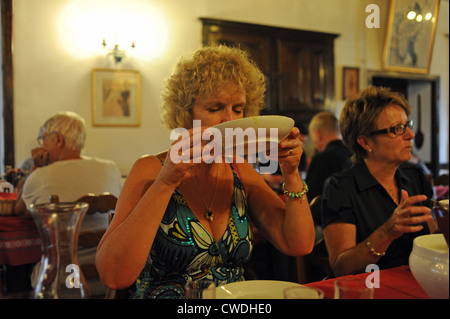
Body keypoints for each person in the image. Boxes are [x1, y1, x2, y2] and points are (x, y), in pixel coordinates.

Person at [95, 45, 315, 299]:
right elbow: (113, 275)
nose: (229, 120)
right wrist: (166, 182)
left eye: (238, 109)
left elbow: (299, 244)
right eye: (215, 108)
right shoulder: (150, 169)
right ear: (186, 114)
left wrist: (291, 174)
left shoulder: (239, 170)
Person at [321, 86, 434, 277]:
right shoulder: (341, 187)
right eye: (397, 129)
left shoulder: (415, 176)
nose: (410, 135)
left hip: (417, 281)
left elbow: (433, 238)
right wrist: (388, 231)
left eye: (408, 125)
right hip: (370, 288)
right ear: (365, 142)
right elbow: (341, 267)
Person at [14, 111, 122, 295]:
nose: (41, 145)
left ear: (58, 140)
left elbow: (19, 210)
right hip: (111, 271)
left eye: (43, 139)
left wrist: (35, 167)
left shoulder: (41, 175)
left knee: (22, 275)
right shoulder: (111, 168)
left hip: (63, 276)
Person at [306, 111, 352, 203]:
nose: (314, 143)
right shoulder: (353, 154)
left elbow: (308, 198)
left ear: (318, 135)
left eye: (312, 137)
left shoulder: (320, 159)